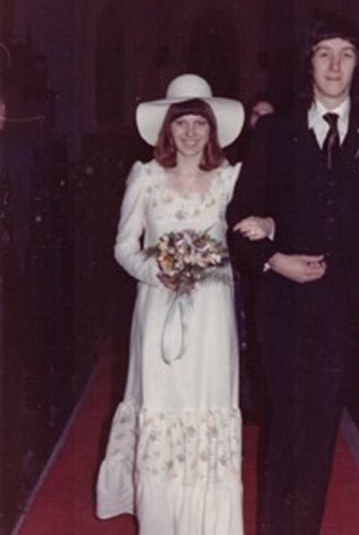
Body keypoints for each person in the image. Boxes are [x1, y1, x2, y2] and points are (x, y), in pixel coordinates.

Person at [227, 14, 359, 535]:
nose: (333, 64)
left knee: (322, 425)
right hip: (281, 302)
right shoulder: (275, 132)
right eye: (323, 52)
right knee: (285, 423)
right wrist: (273, 259)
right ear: (308, 63)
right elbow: (240, 216)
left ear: (358, 65)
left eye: (345, 53)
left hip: (344, 305)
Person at [95, 73, 262, 534]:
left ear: (213, 131)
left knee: (208, 404)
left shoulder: (231, 180)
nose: (190, 133)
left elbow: (251, 233)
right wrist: (157, 270)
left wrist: (263, 225)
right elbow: (124, 247)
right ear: (167, 129)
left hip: (212, 314)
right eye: (181, 123)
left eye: (200, 124)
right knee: (162, 407)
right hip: (156, 309)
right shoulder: (145, 177)